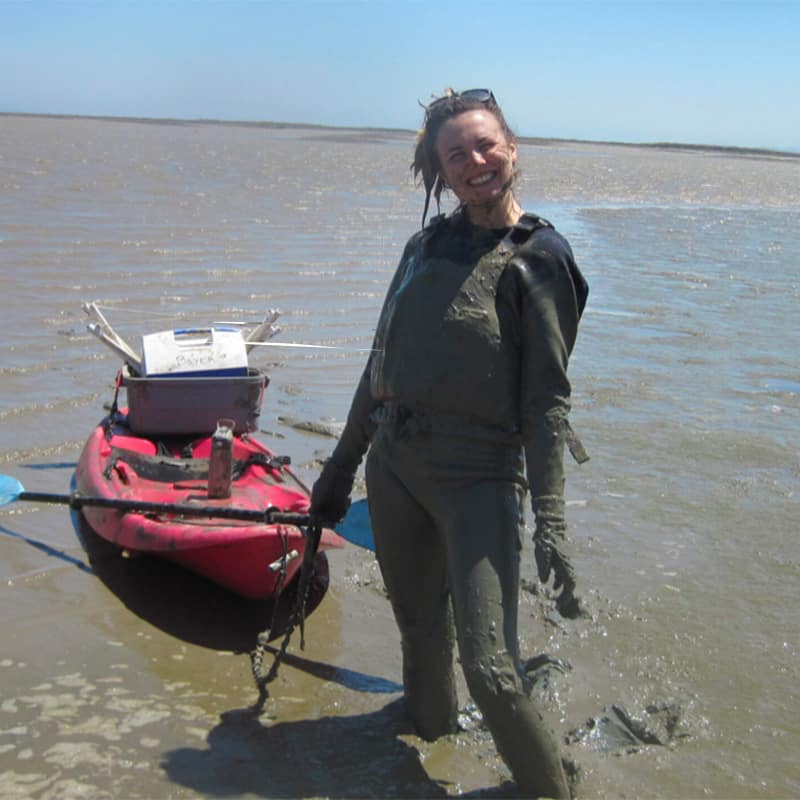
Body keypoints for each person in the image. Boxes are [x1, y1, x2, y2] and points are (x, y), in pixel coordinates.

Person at [311, 88, 588, 799]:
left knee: (491, 666)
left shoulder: (541, 260)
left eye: (486, 144)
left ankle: (551, 789)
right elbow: (380, 369)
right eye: (456, 153)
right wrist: (339, 471)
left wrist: (550, 521)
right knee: (418, 631)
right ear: (440, 169)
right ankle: (427, 738)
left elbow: (547, 402)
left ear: (513, 147)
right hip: (395, 464)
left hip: (479, 475)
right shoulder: (422, 246)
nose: (475, 161)